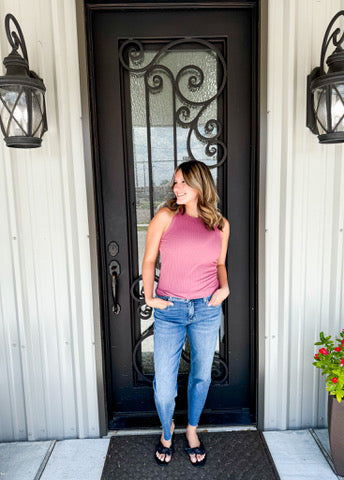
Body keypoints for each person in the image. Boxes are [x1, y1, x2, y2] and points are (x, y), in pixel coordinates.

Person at [142, 160, 230, 467]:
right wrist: (149, 296)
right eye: (175, 182)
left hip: (206, 308)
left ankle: (191, 429)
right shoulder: (165, 216)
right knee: (164, 383)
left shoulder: (219, 223)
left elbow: (219, 263)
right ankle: (168, 430)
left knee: (201, 376)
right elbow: (150, 259)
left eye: (183, 183)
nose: (176, 188)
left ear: (200, 185)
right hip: (170, 309)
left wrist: (225, 288)